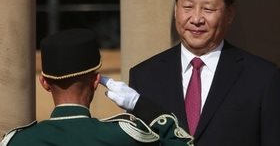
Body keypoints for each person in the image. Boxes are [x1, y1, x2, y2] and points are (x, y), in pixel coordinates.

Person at [127, 0, 280, 145]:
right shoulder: (144, 76)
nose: (196, 19)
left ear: (229, 14)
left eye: (208, 9)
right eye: (187, 7)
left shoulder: (262, 78)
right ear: (175, 10)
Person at [0, 29, 193, 146]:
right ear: (95, 81)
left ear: (44, 83)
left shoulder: (17, 141)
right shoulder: (124, 135)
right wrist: (139, 104)